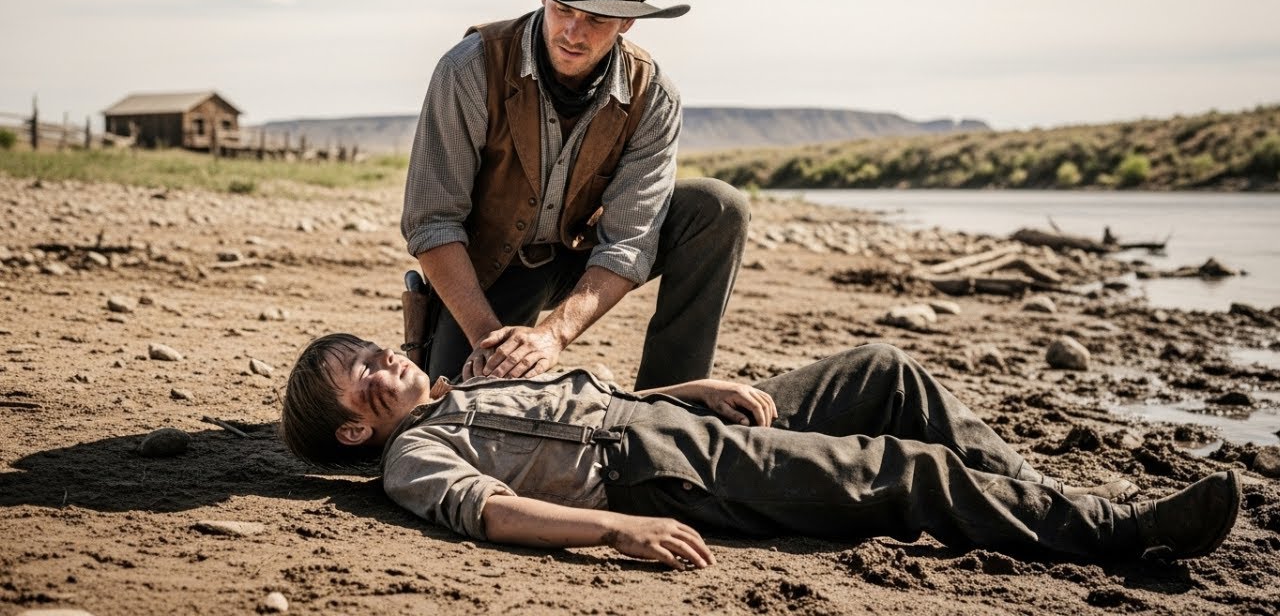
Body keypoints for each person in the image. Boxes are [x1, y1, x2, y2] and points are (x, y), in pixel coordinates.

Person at [279, 334, 1241, 569]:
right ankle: (1117, 534)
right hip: (661, 470)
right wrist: (615, 529)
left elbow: (598, 395)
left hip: (668, 421)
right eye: (358, 379)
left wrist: (696, 389)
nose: (379, 361)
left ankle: (1037, 493)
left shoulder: (469, 380)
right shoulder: (414, 458)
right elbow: (493, 512)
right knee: (904, 473)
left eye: (368, 350)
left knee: (884, 372)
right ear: (357, 430)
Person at [400, 0, 748, 391]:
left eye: (596, 18)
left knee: (718, 208)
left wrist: (551, 337)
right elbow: (433, 221)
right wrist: (487, 339)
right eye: (563, 9)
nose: (573, 32)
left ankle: (672, 412)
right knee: (457, 404)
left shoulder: (654, 95)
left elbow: (629, 240)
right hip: (485, 270)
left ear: (627, 21)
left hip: (575, 257)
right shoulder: (469, 69)